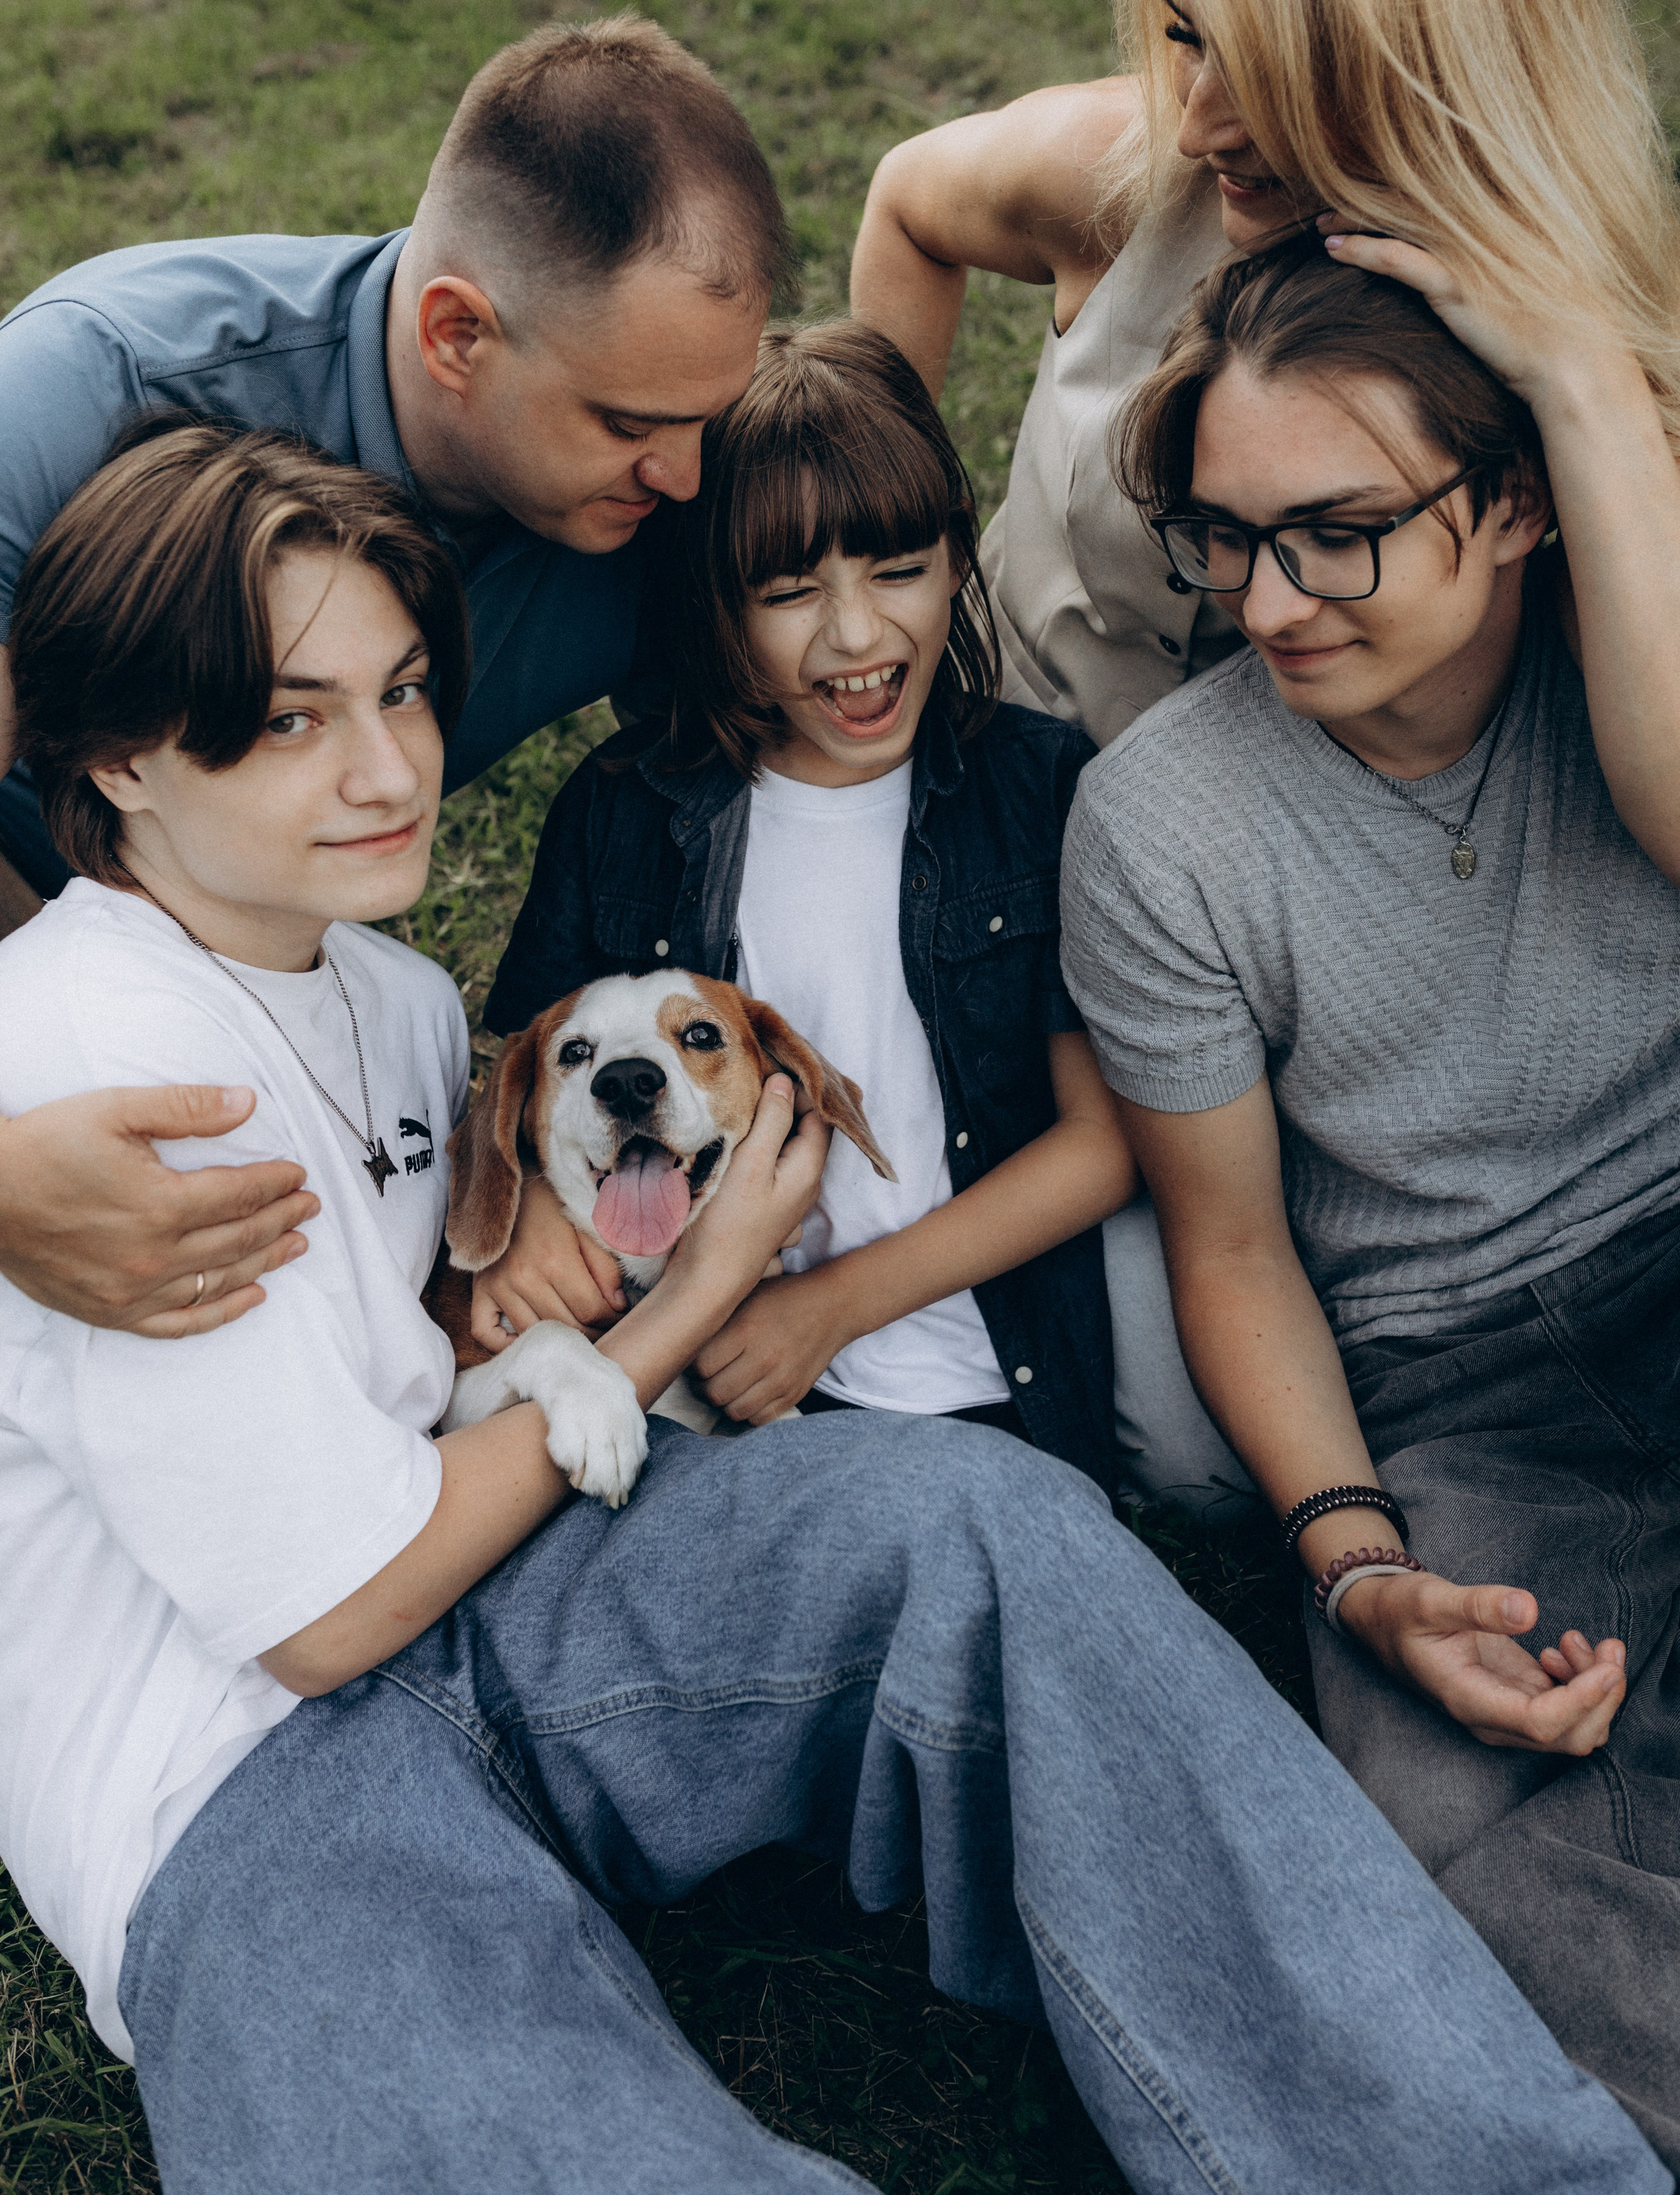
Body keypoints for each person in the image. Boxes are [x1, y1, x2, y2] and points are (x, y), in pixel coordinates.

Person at [0, 423, 1662, 2195]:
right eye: (288, 719)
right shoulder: (99, 1057)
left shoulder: (402, 1001)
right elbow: (324, 1621)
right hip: (231, 1792)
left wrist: (497, 1286)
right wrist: (690, 1304)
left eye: (402, 692)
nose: (386, 766)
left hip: (523, 1601)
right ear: (121, 761)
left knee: (992, 1535)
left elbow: (413, 1314)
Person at [849, 0, 1680, 1501]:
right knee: (1131, 1403)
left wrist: (1590, 389)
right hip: (1012, 857)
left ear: (1425, 50)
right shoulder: (1136, 170)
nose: (1206, 106)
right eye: (1182, 33)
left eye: (1265, 56)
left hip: (1317, 976)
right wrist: (869, 562)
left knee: (1228, 1407)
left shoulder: (1579, 348)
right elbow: (909, 205)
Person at [1059, 228, 1680, 2162]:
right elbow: (1232, 1247)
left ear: (1508, 506)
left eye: (1334, 531)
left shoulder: (1633, 673)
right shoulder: (1166, 828)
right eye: (1229, 539)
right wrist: (1356, 1561)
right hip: (1448, 1374)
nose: (1268, 602)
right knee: (1440, 1860)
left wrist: (1588, 382)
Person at [0, 11, 789, 1340]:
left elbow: (726, 819)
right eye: (629, 424)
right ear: (456, 335)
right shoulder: (86, 390)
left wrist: (558, 1147)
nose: (689, 479)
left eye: (709, 418)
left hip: (306, 970)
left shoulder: (669, 502)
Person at [478, 322, 1135, 1483]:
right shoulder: (628, 807)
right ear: (714, 606)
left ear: (956, 557)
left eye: (899, 571)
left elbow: (1101, 1147)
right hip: (705, 1368)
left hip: (985, 1361)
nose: (858, 636)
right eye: (789, 592)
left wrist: (829, 1308)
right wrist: (532, 1208)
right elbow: (529, 1065)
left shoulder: (1038, 789)